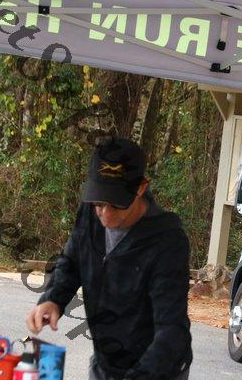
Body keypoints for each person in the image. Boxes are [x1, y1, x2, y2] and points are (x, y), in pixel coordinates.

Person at [26, 138, 192, 380]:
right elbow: (72, 261)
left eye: (116, 203)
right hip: (105, 364)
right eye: (99, 202)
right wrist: (53, 299)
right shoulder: (89, 213)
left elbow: (171, 331)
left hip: (156, 370)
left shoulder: (167, 242)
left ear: (141, 188)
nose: (105, 213)